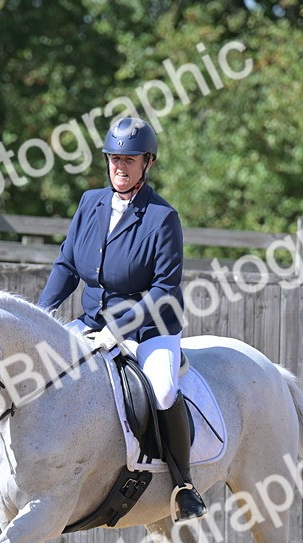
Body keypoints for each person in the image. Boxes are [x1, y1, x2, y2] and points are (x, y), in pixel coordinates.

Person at [37, 116, 206, 521]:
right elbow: (66, 264)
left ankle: (183, 485)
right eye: (114, 158)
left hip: (149, 328)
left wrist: (119, 330)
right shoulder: (89, 203)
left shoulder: (162, 218)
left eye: (129, 160)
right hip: (93, 322)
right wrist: (42, 313)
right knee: (43, 367)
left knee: (163, 389)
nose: (120, 167)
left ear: (147, 163)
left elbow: (164, 289)